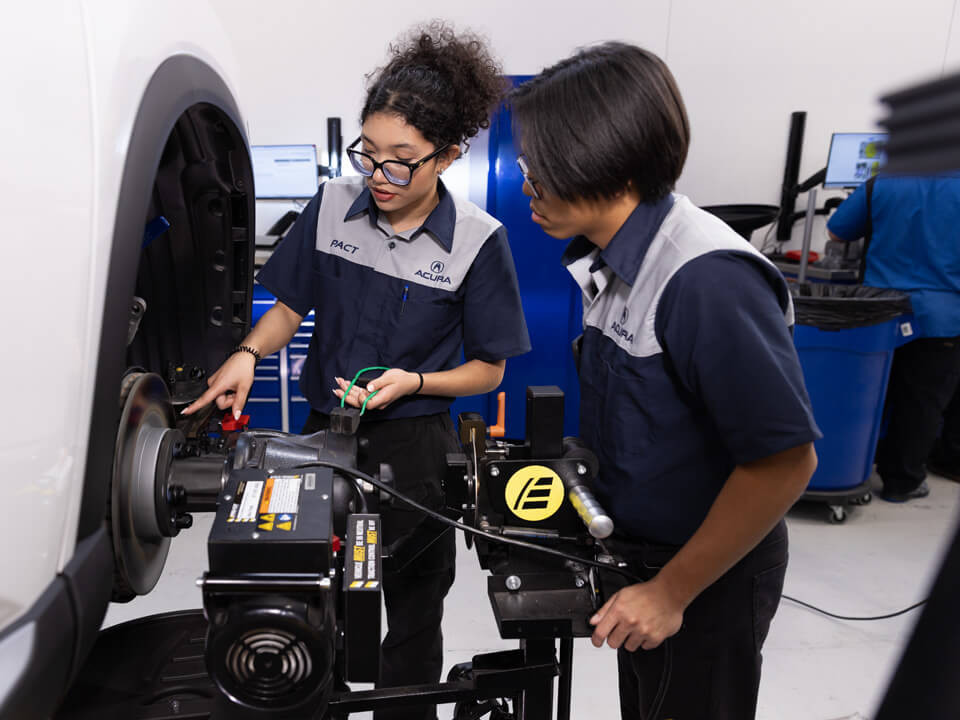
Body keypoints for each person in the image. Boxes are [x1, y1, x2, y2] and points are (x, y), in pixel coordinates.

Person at [185, 22, 530, 720]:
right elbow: (288, 307)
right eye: (369, 155)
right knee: (312, 604)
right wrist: (248, 354)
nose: (379, 176)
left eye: (401, 161)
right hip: (322, 441)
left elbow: (489, 371)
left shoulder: (477, 243)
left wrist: (417, 383)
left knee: (409, 616)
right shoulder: (334, 207)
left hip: (416, 449)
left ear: (449, 156)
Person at [509, 43, 820, 719]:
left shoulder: (704, 279)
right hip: (644, 559)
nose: (528, 183)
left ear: (601, 159)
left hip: (706, 574)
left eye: (538, 168)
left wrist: (672, 591)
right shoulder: (618, 263)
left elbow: (786, 461)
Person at [827, 172, 960, 501]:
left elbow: (836, 231)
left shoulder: (882, 182)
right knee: (922, 402)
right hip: (941, 316)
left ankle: (851, 469)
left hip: (880, 312)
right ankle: (904, 481)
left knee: (870, 395)